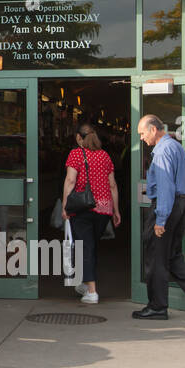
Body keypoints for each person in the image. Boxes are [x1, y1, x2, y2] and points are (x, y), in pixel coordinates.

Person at [135, 114, 185, 319]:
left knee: (156, 257)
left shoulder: (161, 152)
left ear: (153, 130)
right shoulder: (175, 146)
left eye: (142, 134)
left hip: (166, 206)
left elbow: (165, 188)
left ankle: (158, 306)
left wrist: (160, 220)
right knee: (172, 254)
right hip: (181, 205)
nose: (141, 138)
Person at [61, 123, 119, 304]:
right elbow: (113, 185)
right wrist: (116, 210)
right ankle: (86, 284)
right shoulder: (105, 156)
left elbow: (70, 181)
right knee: (90, 246)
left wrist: (65, 205)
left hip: (83, 208)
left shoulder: (76, 154)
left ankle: (92, 291)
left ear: (79, 137)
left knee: (85, 248)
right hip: (104, 209)